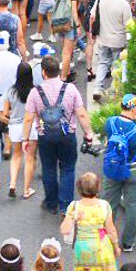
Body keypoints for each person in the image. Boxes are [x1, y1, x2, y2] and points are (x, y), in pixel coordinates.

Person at [100, 93, 136, 253]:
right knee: (132, 206)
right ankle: (127, 243)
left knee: (109, 205)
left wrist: (133, 118)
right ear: (134, 109)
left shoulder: (110, 122)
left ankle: (106, 239)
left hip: (113, 168)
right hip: (133, 170)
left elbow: (116, 134)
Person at [32, 58, 92, 212]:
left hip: (45, 135)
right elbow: (81, 114)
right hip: (67, 135)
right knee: (67, 168)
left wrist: (26, 138)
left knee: (48, 168)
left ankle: (51, 203)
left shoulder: (36, 92)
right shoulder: (70, 89)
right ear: (59, 71)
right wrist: (88, 133)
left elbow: (28, 117)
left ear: (43, 72)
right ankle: (66, 206)